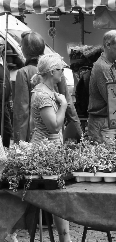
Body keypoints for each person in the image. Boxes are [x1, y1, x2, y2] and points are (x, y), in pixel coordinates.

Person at [29, 54, 72, 242]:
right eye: (61, 70)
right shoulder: (43, 94)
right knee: (58, 195)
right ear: (53, 71)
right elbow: (54, 126)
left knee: (58, 195)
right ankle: (65, 238)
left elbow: (36, 124)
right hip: (46, 149)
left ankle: (65, 237)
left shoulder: (43, 90)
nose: (63, 73)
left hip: (47, 147)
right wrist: (63, 105)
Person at [13, 31, 82, 143]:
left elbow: (22, 112)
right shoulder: (56, 69)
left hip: (37, 134)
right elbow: (69, 103)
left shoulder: (24, 72)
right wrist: (80, 132)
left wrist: (19, 142)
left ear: (25, 50)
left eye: (21, 47)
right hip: (56, 133)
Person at [87, 30, 116, 143]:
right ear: (108, 45)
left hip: (113, 121)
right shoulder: (102, 67)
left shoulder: (114, 63)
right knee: (107, 159)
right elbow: (113, 98)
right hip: (104, 124)